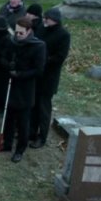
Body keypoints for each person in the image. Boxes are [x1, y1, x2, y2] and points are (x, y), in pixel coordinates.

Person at [0, 16, 46, 163]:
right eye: (16, 32)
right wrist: (8, 65)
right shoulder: (11, 41)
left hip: (25, 89)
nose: (17, 36)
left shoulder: (39, 46)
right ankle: (6, 144)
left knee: (23, 123)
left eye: (21, 33)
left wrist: (20, 74)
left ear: (29, 31)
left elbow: (38, 70)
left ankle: (20, 150)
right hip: (10, 84)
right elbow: (3, 57)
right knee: (8, 118)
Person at [32, 8, 71, 149]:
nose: (44, 20)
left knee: (43, 109)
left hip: (48, 77)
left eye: (47, 18)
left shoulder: (63, 35)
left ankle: (41, 137)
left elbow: (60, 57)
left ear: (54, 19)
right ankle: (31, 132)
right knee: (33, 106)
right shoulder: (42, 28)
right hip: (36, 74)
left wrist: (42, 60)